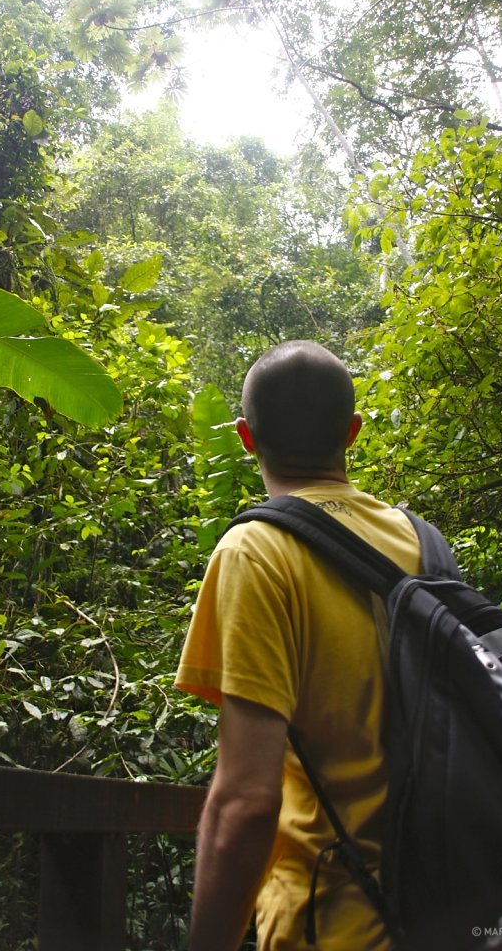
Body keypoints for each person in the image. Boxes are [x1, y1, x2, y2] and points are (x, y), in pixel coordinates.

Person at [175, 340, 421, 951]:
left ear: (245, 438)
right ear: (353, 433)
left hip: (331, 922)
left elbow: (246, 803)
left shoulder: (255, 552)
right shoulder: (422, 543)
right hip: (454, 908)